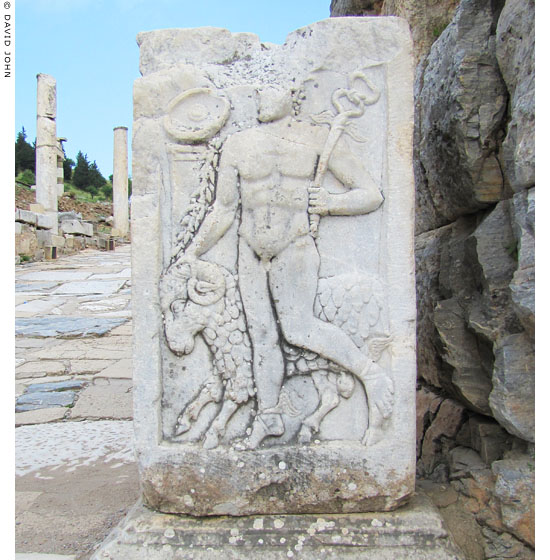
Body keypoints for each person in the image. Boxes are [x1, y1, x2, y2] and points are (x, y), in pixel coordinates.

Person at [187, 87, 389, 448]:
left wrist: (330, 202)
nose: (265, 95)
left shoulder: (317, 139)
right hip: (249, 250)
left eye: (274, 88)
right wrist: (192, 252)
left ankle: (371, 375)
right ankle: (269, 417)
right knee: (262, 336)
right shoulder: (237, 144)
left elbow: (370, 194)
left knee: (297, 328)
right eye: (259, 90)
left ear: (294, 98)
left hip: (294, 246)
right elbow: (223, 209)